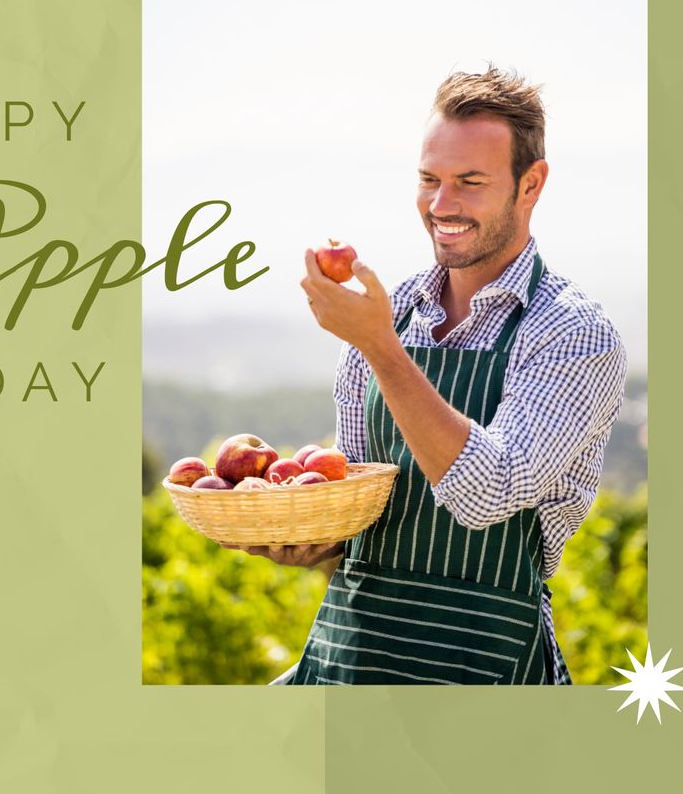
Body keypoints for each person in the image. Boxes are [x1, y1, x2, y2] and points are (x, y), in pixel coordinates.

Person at [233, 66, 627, 685]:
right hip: (354, 652)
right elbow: (367, 503)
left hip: (479, 658)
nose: (441, 206)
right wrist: (313, 538)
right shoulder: (393, 315)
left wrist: (382, 348)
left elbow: (488, 493)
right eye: (429, 180)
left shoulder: (571, 334)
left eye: (470, 182)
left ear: (532, 184)